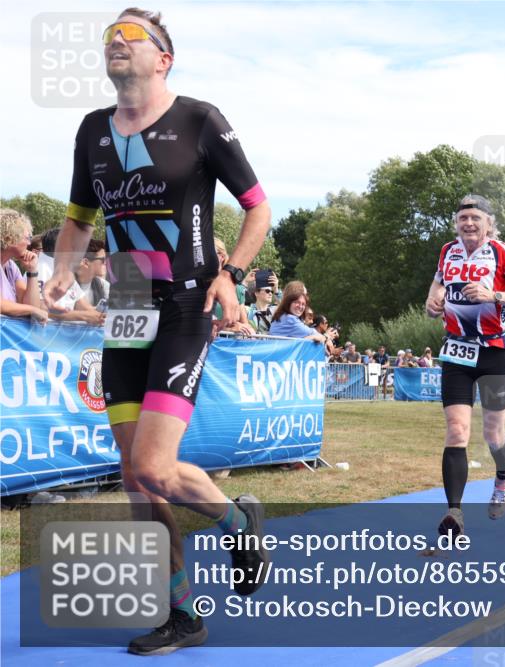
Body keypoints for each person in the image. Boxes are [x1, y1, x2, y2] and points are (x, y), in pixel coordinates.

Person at [42, 9, 270, 655]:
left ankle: (238, 518)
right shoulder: (92, 130)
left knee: (153, 463)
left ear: (164, 57)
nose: (116, 41)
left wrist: (234, 276)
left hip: (187, 303)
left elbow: (258, 206)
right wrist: (62, 274)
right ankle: (182, 611)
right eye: (109, 35)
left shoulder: (199, 118)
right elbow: (80, 218)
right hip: (130, 301)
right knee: (135, 476)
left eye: (131, 35)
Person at [424, 194, 505, 536]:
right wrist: (433, 301)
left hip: (493, 352)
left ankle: (503, 477)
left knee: (493, 433)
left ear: (489, 223)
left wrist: (495, 296)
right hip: (456, 352)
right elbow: (437, 285)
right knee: (457, 430)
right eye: (463, 218)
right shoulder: (448, 251)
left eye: (475, 218)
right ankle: (454, 513)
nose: (468, 224)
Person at [0, 209, 47, 322]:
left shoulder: (11, 267)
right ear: (9, 238)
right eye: (27, 238)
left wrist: (32, 271)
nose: (29, 243)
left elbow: (33, 305)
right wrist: (31, 310)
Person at [212, 238, 253, 335]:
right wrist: (229, 329)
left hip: (230, 346)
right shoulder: (197, 285)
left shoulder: (236, 288)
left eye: (210, 252)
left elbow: (245, 324)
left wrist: (247, 329)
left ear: (221, 256)